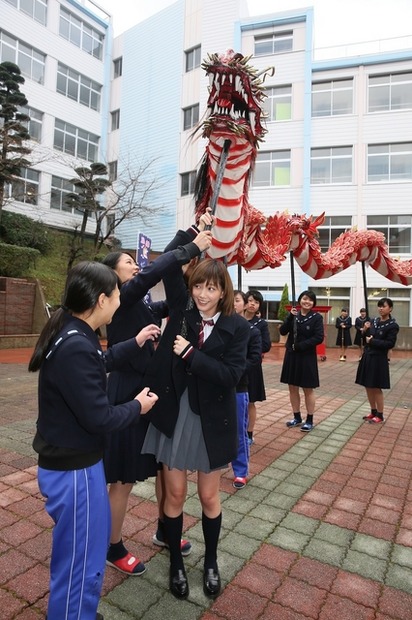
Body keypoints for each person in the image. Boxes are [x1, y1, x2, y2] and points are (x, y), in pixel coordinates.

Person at [28, 261, 159, 620]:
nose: (121, 299)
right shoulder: (76, 346)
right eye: (117, 294)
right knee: (81, 559)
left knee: (78, 552)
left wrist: (134, 342)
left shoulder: (72, 331)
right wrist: (138, 406)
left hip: (69, 465)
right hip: (75, 471)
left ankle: (77, 612)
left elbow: (100, 360)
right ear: (102, 300)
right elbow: (100, 417)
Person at [102, 232, 212, 575]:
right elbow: (156, 269)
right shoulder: (123, 297)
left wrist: (193, 231)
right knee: (122, 479)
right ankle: (112, 545)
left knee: (165, 464)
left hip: (152, 392)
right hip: (126, 394)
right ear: (112, 275)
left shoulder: (144, 303)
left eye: (135, 262)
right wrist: (192, 247)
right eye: (129, 264)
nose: (137, 266)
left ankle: (167, 528)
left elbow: (169, 284)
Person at [142, 259, 249, 600]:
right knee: (174, 495)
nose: (203, 294)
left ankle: (212, 561)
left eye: (212, 288)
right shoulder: (182, 313)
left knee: (208, 496)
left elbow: (231, 376)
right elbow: (168, 264)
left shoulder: (238, 327)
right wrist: (193, 239)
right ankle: (175, 560)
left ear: (223, 292)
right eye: (198, 286)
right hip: (176, 415)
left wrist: (190, 354)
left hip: (212, 420)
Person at [280, 290, 324, 432]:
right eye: (305, 299)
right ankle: (297, 417)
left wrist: (301, 346)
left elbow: (319, 337)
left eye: (310, 300)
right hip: (292, 355)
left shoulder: (316, 317)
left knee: (307, 389)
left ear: (313, 303)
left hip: (306, 357)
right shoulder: (294, 315)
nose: (307, 302)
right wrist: (289, 317)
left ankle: (309, 419)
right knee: (292, 387)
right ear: (300, 300)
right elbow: (282, 331)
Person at [232, 290, 262, 489]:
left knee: (238, 431)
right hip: (217, 384)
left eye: (236, 300)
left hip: (238, 386)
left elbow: (254, 359)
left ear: (244, 304)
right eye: (229, 300)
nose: (233, 304)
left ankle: (240, 471)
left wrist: (232, 371)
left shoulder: (253, 331)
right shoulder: (218, 326)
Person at [355, 297, 399, 424]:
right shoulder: (373, 321)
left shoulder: (392, 325)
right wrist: (364, 329)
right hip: (368, 356)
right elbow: (365, 338)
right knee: (368, 385)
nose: (380, 308)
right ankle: (373, 411)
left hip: (379, 359)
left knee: (376, 387)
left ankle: (380, 414)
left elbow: (390, 343)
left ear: (390, 308)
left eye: (383, 306)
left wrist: (373, 341)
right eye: (379, 306)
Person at [243, 290, 271, 445]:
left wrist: (252, 346)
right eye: (250, 300)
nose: (252, 304)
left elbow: (266, 345)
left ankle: (249, 433)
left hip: (252, 367)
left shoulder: (261, 324)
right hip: (235, 365)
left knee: (250, 401)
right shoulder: (235, 319)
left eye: (256, 302)